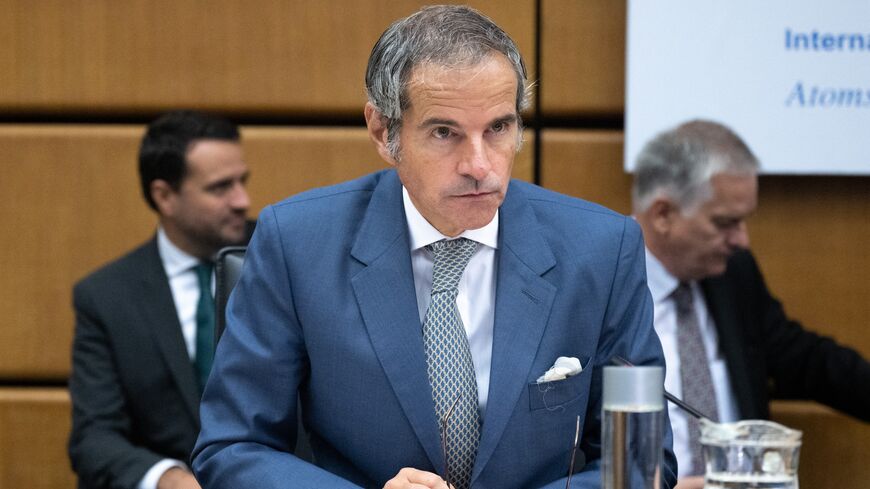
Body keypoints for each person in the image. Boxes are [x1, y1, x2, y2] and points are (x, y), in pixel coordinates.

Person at [192, 6, 676, 489]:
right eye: (445, 133)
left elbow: (640, 457)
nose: (479, 165)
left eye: (499, 128)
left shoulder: (603, 249)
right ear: (385, 133)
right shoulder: (297, 244)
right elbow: (233, 447)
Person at [632, 119, 870, 489]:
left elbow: (804, 359)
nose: (742, 240)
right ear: (664, 214)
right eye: (726, 223)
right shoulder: (598, 285)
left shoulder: (732, 274)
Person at [68, 110, 252, 489]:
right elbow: (94, 438)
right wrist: (168, 479)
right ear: (164, 196)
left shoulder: (284, 258)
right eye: (220, 187)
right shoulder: (106, 297)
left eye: (242, 182)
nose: (242, 200)